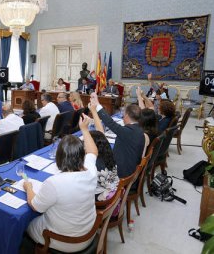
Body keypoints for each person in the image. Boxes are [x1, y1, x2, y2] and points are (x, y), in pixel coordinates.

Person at [23, 116, 98, 253]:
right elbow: (93, 151)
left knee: (23, 225)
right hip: (88, 233)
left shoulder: (55, 183)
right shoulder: (91, 171)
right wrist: (84, 129)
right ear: (82, 155)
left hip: (62, 240)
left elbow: (35, 206)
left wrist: (28, 187)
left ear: (59, 157)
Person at [90, 92, 145, 178]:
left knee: (96, 160)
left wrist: (97, 104)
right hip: (131, 167)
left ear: (126, 115)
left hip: (123, 172)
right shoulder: (139, 129)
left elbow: (110, 123)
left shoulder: (128, 131)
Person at [88, 107, 119, 200]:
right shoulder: (106, 151)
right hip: (113, 188)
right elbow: (100, 132)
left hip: (101, 197)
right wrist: (93, 111)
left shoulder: (93, 164)